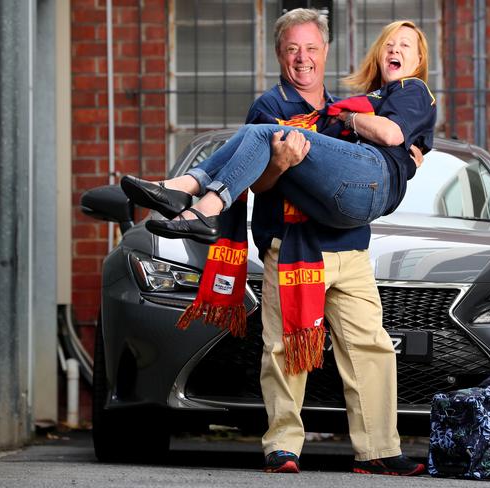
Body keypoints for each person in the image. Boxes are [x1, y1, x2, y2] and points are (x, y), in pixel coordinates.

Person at [123, 9, 427, 476]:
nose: (302, 59)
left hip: (348, 247)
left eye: (310, 48)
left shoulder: (346, 109)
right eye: (291, 50)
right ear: (279, 54)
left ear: (325, 52)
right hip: (292, 246)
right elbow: (260, 187)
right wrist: (280, 164)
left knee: (372, 348)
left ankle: (380, 450)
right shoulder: (268, 107)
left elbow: (381, 151)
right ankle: (283, 446)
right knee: (285, 349)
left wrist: (412, 152)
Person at [120, 20, 435, 244]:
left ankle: (201, 203)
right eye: (388, 45)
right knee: (257, 133)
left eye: (404, 45)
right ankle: (183, 188)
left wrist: (349, 117)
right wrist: (283, 160)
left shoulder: (411, 87)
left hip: (365, 192)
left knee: (259, 134)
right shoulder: (372, 97)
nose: (394, 49)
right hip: (335, 210)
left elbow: (393, 135)